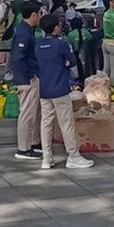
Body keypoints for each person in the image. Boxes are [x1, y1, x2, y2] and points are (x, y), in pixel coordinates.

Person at [34, 14, 94, 169]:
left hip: (44, 89)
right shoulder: (60, 44)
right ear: (55, 28)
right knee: (66, 123)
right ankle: (73, 155)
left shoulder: (38, 45)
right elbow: (72, 61)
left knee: (46, 123)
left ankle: (47, 158)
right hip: (60, 88)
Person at [12, 1, 44, 161]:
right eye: (40, 13)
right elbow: (18, 58)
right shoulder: (24, 33)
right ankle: (23, 148)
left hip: (30, 76)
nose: (41, 16)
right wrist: (30, 75)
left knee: (34, 112)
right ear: (33, 14)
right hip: (27, 79)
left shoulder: (26, 30)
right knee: (27, 112)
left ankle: (33, 143)